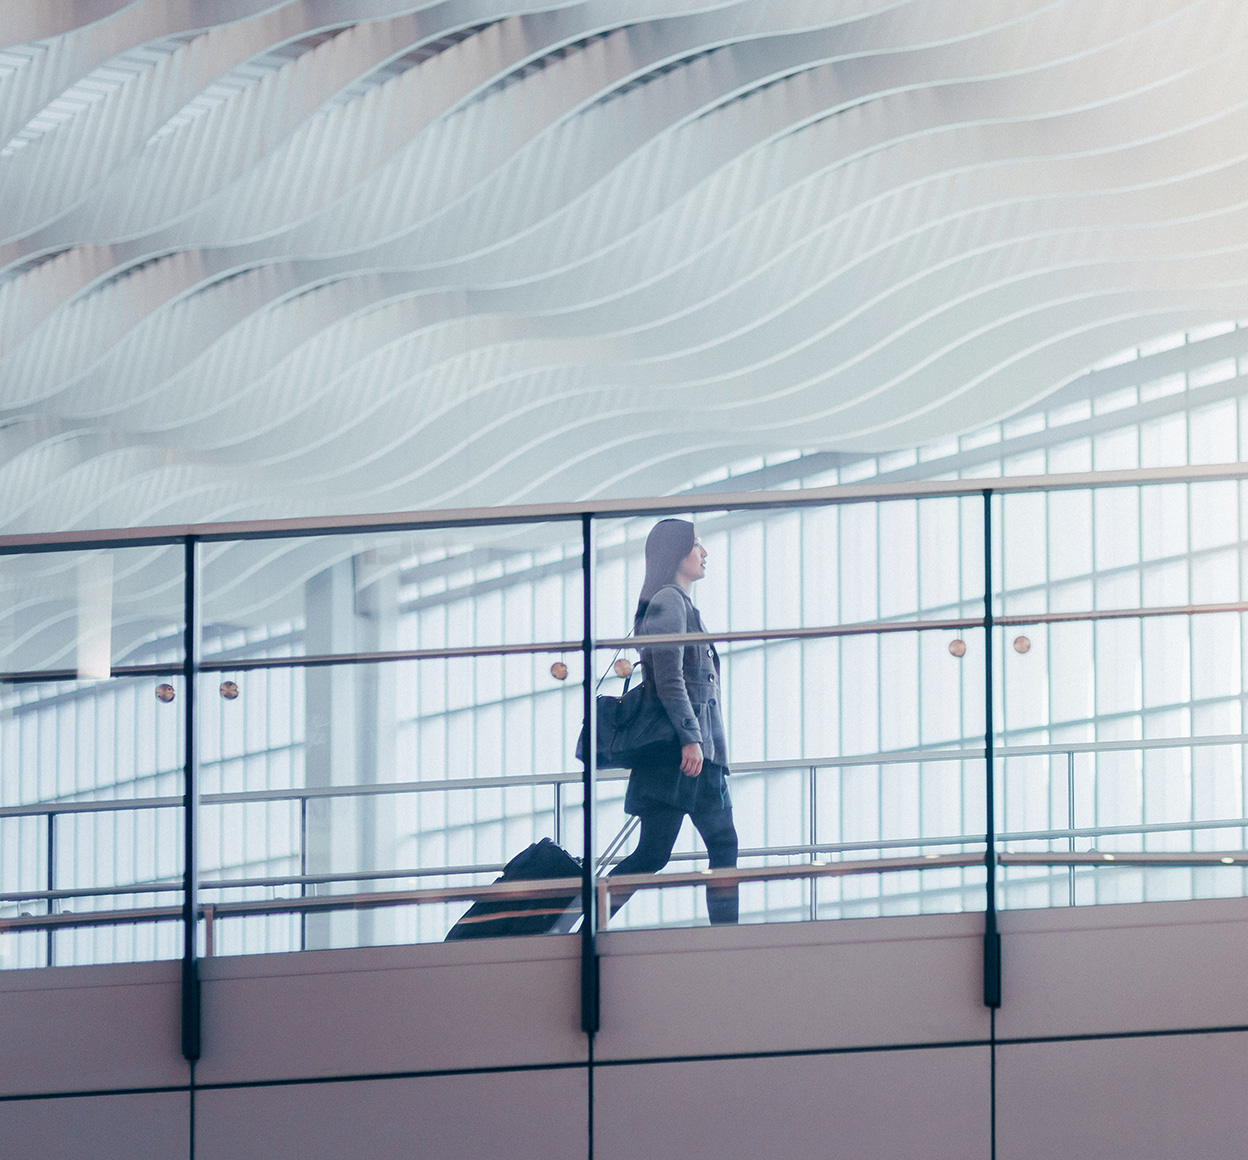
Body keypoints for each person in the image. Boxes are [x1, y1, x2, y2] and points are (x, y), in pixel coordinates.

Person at [608, 518, 739, 924]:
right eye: (697, 545)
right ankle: (590, 920)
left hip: (696, 757)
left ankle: (726, 935)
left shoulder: (679, 604)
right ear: (677, 552)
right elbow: (668, 678)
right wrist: (690, 738)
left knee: (709, 845)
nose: (704, 553)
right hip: (684, 756)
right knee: (658, 852)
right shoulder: (669, 602)